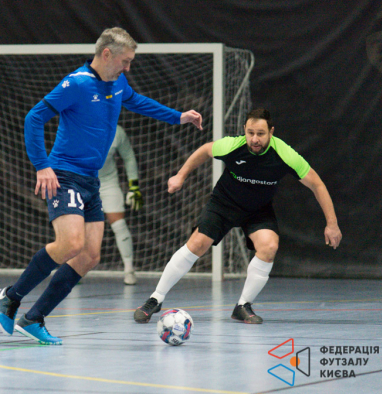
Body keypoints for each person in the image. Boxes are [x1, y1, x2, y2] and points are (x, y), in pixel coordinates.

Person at [0, 27, 203, 345]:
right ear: (106, 54)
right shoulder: (77, 83)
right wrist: (42, 166)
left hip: (91, 180)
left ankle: (34, 318)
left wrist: (178, 117)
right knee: (71, 244)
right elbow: (33, 118)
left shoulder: (117, 82)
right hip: (64, 174)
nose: (128, 68)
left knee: (90, 256)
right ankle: (11, 296)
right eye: (125, 61)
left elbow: (137, 101)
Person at [134, 108, 342, 324]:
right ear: (244, 130)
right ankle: (155, 299)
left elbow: (317, 184)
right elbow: (205, 150)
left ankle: (243, 305)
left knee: (269, 247)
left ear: (271, 132)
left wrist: (332, 224)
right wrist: (180, 176)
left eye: (260, 134)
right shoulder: (233, 145)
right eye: (250, 133)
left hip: (258, 209)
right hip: (224, 203)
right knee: (197, 244)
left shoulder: (284, 154)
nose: (254, 139)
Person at [98, 124, 142, 285]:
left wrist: (134, 186)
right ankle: (73, 271)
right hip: (80, 182)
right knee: (77, 226)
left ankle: (129, 269)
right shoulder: (77, 125)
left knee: (119, 224)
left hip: (108, 183)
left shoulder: (117, 131)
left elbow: (128, 157)